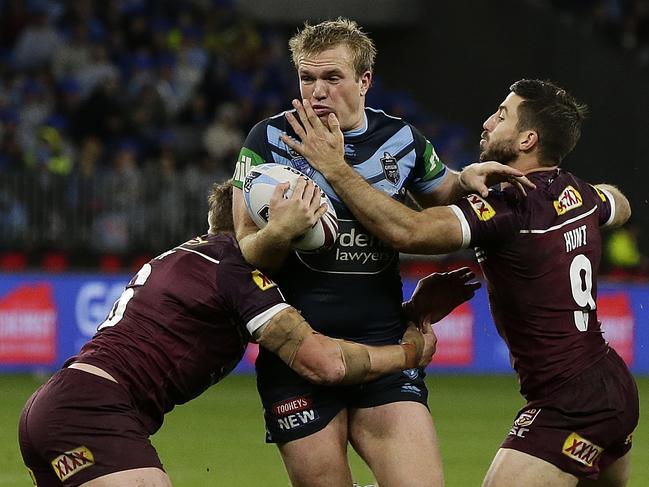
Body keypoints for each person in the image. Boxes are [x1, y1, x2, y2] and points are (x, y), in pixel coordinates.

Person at [283, 79, 639, 486]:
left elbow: (408, 232)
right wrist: (589, 197)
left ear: (528, 139)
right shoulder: (578, 192)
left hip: (570, 402)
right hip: (612, 386)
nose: (487, 123)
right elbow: (621, 204)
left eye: (502, 115)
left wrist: (336, 168)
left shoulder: (511, 204)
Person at [17, 178, 480, 487]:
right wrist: (408, 352)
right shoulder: (232, 266)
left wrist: (407, 310)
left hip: (65, 406)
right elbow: (322, 360)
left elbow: (316, 328)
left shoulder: (195, 258)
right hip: (92, 414)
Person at [231, 18, 532, 487]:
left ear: (364, 80)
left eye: (333, 78)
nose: (317, 91)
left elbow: (446, 193)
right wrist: (282, 232)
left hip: (384, 344)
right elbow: (248, 251)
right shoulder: (266, 142)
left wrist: (468, 177)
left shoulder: (402, 140)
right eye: (307, 78)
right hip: (300, 356)